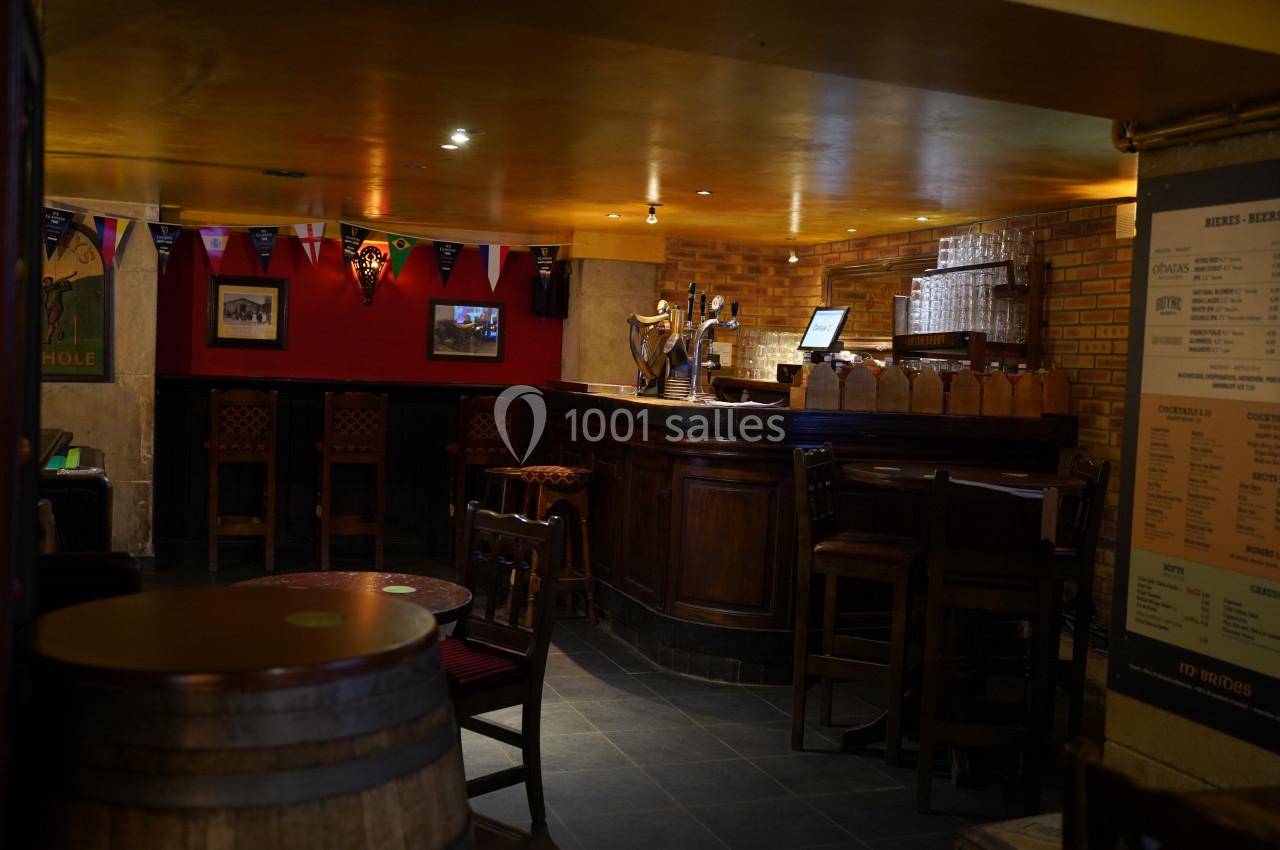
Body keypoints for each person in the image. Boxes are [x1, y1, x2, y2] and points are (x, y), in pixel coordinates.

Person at [42, 271, 77, 344]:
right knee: (53, 322)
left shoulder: (58, 287)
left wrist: (65, 281)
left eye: (47, 281)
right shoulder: (47, 288)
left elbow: (68, 287)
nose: (45, 282)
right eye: (45, 282)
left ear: (51, 281)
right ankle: (60, 333)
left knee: (51, 322)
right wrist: (60, 280)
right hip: (49, 307)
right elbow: (51, 288)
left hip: (57, 308)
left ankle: (47, 339)